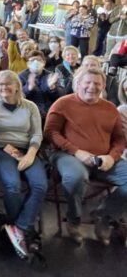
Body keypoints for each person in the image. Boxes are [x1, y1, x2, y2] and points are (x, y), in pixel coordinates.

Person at [44, 67, 127, 246]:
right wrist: (76, 151)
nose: (92, 87)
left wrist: (112, 157)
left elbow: (120, 139)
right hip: (68, 155)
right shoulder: (63, 103)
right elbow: (51, 133)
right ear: (78, 84)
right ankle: (74, 219)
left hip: (104, 159)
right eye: (87, 82)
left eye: (97, 83)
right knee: (75, 178)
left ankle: (104, 216)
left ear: (103, 86)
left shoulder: (110, 108)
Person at [0, 70, 46, 258]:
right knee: (12, 185)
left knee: (40, 185)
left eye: (8, 84)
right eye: (0, 85)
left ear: (17, 86)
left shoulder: (30, 107)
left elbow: (37, 134)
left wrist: (30, 155)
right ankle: (24, 228)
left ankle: (19, 228)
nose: (4, 87)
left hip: (26, 150)